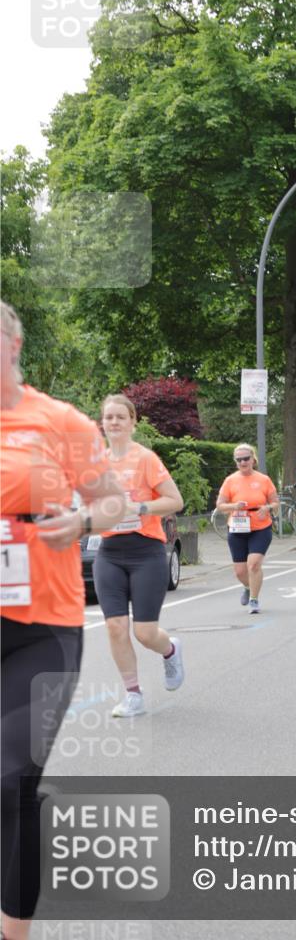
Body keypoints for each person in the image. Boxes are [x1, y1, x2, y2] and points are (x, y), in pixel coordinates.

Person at [1, 301, 125, 940]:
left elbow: (113, 501)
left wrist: (80, 522)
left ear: (13, 344)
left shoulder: (60, 422)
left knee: (13, 780)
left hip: (42, 626)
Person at [94, 395, 185, 719]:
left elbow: (175, 500)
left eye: (121, 417)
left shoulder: (145, 459)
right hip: (110, 553)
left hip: (145, 551)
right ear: (102, 423)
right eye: (109, 417)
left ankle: (170, 651)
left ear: (133, 422)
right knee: (116, 627)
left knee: (144, 633)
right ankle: (133, 695)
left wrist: (139, 507)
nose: (115, 422)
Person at [216, 444, 279, 613]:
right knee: (240, 571)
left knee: (254, 564)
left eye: (246, 459)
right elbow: (220, 505)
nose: (243, 462)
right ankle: (247, 586)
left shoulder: (263, 479)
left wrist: (267, 508)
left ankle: (254, 600)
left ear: (253, 459)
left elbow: (275, 502)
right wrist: (234, 506)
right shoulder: (230, 480)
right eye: (239, 460)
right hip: (237, 527)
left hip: (260, 526)